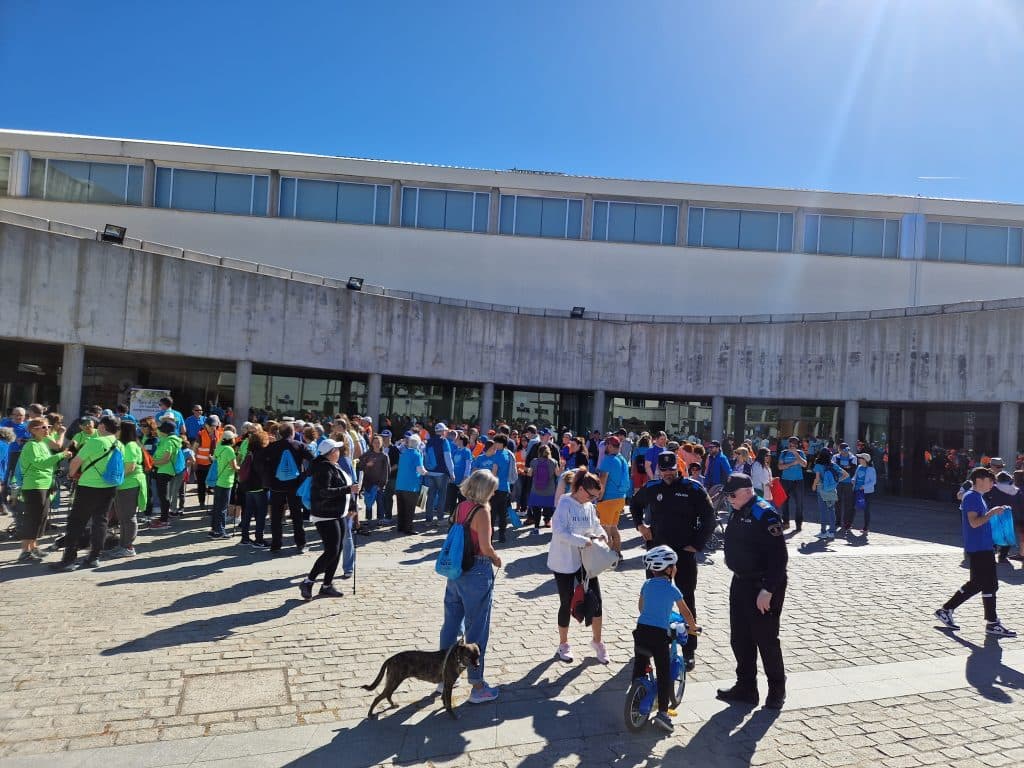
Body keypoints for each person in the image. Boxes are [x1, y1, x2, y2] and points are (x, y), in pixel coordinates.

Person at [631, 451, 716, 670]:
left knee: (686, 599)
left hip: (683, 554)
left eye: (671, 469)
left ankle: (689, 650)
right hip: (657, 554)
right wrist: (640, 526)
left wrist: (697, 544)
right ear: (659, 469)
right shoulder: (652, 488)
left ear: (678, 468)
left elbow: (709, 517)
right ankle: (653, 642)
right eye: (664, 470)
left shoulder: (693, 489)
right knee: (653, 598)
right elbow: (635, 504)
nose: (668, 473)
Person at [716, 473, 788, 709]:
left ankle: (777, 690)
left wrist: (768, 589)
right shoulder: (740, 509)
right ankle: (746, 687)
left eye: (733, 495)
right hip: (741, 582)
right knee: (740, 638)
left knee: (766, 639)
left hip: (763, 585)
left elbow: (779, 558)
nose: (730, 500)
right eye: (728, 496)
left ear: (748, 491)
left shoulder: (764, 513)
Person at [439, 469, 503, 704]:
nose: (496, 492)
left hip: (456, 570)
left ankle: (443, 676)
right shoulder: (482, 511)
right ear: (485, 489)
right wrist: (496, 558)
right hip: (476, 570)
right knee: (477, 630)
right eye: (493, 488)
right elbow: (485, 547)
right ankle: (477, 685)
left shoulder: (461, 506)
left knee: (451, 624)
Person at [935, 467, 1016, 637]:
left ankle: (990, 622)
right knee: (982, 583)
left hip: (983, 547)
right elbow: (974, 522)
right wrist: (992, 513)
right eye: (990, 480)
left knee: (986, 584)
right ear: (980, 480)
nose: (993, 484)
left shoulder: (977, 497)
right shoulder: (971, 497)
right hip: (979, 548)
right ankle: (949, 610)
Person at [632, 545, 700, 734]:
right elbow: (685, 612)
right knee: (663, 674)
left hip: (641, 632)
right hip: (658, 636)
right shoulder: (673, 589)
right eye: (675, 566)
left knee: (640, 663)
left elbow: (641, 607)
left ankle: (635, 691)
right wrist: (692, 628)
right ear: (670, 569)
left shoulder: (646, 585)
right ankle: (663, 713)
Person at [547, 469, 611, 665]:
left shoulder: (589, 506)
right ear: (581, 489)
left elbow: (596, 525)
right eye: (591, 495)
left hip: (587, 561)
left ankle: (597, 641)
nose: (593, 500)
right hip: (564, 561)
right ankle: (563, 644)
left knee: (596, 601)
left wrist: (602, 535)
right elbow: (559, 531)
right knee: (566, 602)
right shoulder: (564, 504)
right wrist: (584, 540)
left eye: (596, 497)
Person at [50, 415, 122, 571]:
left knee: (77, 522)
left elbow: (76, 461)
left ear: (102, 427)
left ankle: (69, 559)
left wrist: (70, 474)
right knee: (101, 521)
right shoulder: (119, 444)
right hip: (109, 486)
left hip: (89, 486)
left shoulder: (95, 441)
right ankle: (93, 557)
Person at [299, 439, 360, 600]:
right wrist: (349, 489)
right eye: (337, 450)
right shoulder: (323, 468)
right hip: (325, 514)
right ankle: (308, 581)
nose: (339, 452)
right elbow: (323, 492)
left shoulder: (333, 465)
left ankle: (327, 585)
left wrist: (352, 506)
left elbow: (346, 487)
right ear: (331, 452)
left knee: (337, 549)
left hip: (337, 513)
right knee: (331, 551)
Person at [15, 419, 71, 562]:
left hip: (44, 485)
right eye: (44, 427)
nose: (47, 430)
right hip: (34, 486)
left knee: (41, 518)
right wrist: (61, 455)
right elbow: (41, 464)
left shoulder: (43, 443)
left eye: (49, 427)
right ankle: (25, 551)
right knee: (33, 518)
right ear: (33, 430)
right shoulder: (31, 445)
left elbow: (48, 464)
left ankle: (33, 547)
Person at [263, 422, 309, 554]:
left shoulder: (272, 447)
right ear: (292, 432)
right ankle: (300, 544)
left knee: (276, 517)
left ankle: (276, 545)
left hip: (276, 486)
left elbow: (262, 461)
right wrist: (305, 476)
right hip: (294, 486)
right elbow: (313, 459)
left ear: (280, 433)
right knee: (296, 516)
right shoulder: (299, 445)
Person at [111, 420, 147, 557]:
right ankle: (122, 544)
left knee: (129, 516)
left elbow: (130, 467)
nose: (116, 431)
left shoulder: (131, 445)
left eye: (118, 428)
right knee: (122, 516)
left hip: (129, 484)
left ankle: (128, 547)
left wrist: (115, 478)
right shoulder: (125, 444)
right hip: (123, 484)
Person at [472, 434, 517, 543]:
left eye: (496, 442)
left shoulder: (497, 455)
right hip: (505, 487)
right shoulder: (508, 454)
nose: (495, 444)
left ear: (501, 443)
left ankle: (490, 537)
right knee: (502, 514)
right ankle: (502, 535)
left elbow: (494, 472)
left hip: (494, 488)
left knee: (491, 513)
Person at [596, 435, 630, 554]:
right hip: (620, 499)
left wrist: (599, 498)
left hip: (608, 500)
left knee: (605, 531)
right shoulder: (622, 459)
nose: (605, 447)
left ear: (610, 446)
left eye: (606, 445)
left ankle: (607, 558)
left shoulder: (608, 459)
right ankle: (618, 554)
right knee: (614, 528)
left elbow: (602, 481)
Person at [150, 420, 183, 530]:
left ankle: (164, 520)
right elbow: (157, 431)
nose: (159, 431)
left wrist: (151, 462)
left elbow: (165, 459)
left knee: (164, 496)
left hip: (165, 471)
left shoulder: (169, 442)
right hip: (163, 471)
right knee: (162, 495)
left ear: (165, 431)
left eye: (161, 429)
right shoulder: (167, 439)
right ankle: (163, 518)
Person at [395, 433, 427, 534]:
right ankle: (408, 529)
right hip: (411, 486)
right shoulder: (416, 454)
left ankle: (400, 527)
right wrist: (427, 472)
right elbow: (420, 470)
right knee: (409, 509)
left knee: (401, 508)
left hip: (400, 485)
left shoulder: (403, 453)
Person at [209, 428, 239, 538]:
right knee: (223, 508)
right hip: (226, 482)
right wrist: (243, 468)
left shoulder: (219, 447)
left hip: (218, 481)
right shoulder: (229, 450)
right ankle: (220, 531)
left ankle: (214, 529)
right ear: (231, 439)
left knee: (217, 506)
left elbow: (214, 459)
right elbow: (234, 467)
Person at [812, 449, 847, 540]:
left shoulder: (818, 465)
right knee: (831, 510)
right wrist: (835, 482)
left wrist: (814, 486)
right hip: (832, 490)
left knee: (823, 511)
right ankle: (831, 531)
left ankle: (823, 531)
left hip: (821, 489)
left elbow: (817, 478)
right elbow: (846, 475)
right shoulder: (833, 465)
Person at [357, 434, 390, 527]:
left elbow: (386, 471)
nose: (376, 444)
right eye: (374, 442)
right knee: (368, 502)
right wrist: (367, 464)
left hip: (379, 484)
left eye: (378, 442)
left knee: (379, 502)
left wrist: (383, 484)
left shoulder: (384, 456)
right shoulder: (367, 454)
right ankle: (368, 519)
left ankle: (380, 519)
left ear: (381, 444)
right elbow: (360, 465)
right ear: (372, 443)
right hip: (368, 482)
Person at [777, 436, 807, 531]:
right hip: (785, 480)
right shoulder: (784, 453)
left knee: (799, 503)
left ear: (797, 444)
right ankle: (786, 522)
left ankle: (798, 524)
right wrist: (792, 464)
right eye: (791, 443)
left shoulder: (800, 453)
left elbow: (804, 464)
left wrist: (796, 455)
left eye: (794, 443)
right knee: (784, 502)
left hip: (798, 481)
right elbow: (780, 467)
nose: (792, 445)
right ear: (788, 443)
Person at [527, 444, 559, 533]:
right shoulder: (554, 462)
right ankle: (548, 522)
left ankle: (536, 528)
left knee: (536, 510)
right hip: (549, 490)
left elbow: (529, 474)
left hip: (536, 490)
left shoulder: (534, 461)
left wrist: (526, 471)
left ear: (539, 452)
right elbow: (557, 474)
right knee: (548, 508)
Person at [833, 443, 858, 533]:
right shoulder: (835, 457)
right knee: (837, 502)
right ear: (839, 450)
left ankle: (847, 522)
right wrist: (846, 468)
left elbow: (853, 470)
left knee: (849, 504)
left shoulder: (853, 458)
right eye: (843, 450)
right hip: (838, 483)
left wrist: (843, 469)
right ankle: (837, 521)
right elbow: (834, 469)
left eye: (846, 450)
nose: (845, 452)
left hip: (849, 483)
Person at [851, 452, 877, 535]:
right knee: (853, 507)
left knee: (866, 510)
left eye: (860, 458)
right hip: (857, 490)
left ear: (865, 460)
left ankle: (866, 528)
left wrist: (864, 487)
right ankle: (849, 524)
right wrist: (853, 480)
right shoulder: (859, 467)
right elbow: (855, 476)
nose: (859, 459)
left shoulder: (871, 469)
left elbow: (873, 481)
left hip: (867, 492)